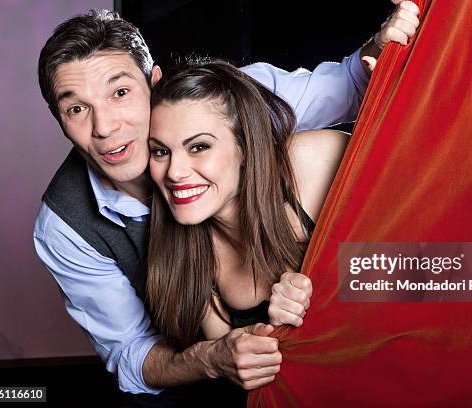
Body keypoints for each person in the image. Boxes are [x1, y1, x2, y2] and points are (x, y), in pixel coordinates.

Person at [32, 2, 420, 403]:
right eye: (76, 108)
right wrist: (215, 357)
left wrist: (329, 280)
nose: (105, 127)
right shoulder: (80, 230)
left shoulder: (232, 106)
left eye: (120, 92)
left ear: (154, 82)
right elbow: (135, 354)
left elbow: (353, 86)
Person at [146, 60, 347, 362]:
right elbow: (252, 374)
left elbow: (429, 266)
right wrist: (275, 331)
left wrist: (326, 289)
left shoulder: (311, 162)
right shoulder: (187, 256)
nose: (174, 172)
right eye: (160, 151)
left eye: (199, 147)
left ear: (244, 148)